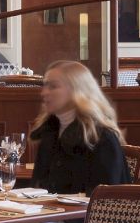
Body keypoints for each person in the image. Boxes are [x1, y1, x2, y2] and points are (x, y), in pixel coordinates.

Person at [29, 60, 130, 195]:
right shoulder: (50, 133)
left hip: (87, 216)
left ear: (77, 90)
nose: (44, 92)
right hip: (50, 214)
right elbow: (37, 189)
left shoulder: (102, 138)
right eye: (45, 85)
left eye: (53, 86)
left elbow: (105, 201)